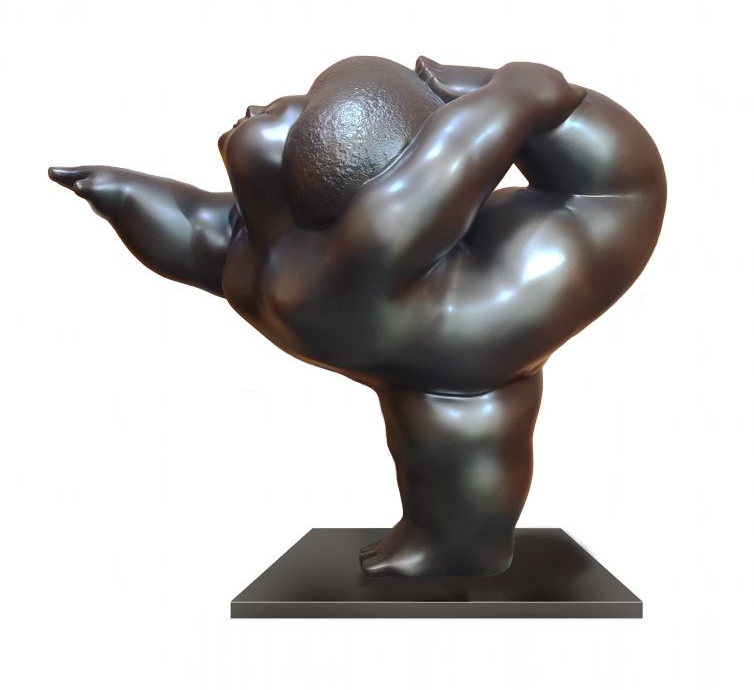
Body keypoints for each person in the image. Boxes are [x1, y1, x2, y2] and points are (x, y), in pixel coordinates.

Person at [49, 55, 666, 577]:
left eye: (285, 115)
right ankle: (454, 539)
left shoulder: (377, 235)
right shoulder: (260, 237)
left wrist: (517, 89)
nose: (257, 107)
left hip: (602, 205)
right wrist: (118, 192)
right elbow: (190, 230)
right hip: (448, 324)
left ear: (324, 164)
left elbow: (457, 149)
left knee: (454, 422)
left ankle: (461, 546)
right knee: (439, 414)